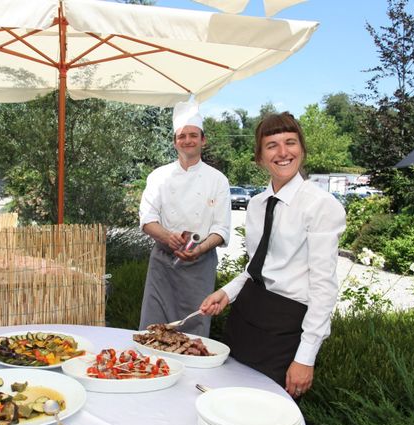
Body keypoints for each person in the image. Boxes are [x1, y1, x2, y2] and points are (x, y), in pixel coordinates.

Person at [200, 112, 346, 399]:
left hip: (286, 326)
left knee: (266, 412)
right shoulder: (256, 205)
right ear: (259, 157)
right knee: (227, 400)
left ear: (302, 149)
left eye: (290, 142)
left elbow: (324, 287)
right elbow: (256, 267)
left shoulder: (321, 207)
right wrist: (228, 293)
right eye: (272, 145)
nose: (283, 152)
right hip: (245, 317)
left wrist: (305, 357)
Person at [138, 101, 231, 337]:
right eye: (182, 136)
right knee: (152, 327)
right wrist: (169, 237)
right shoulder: (158, 176)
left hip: (200, 266)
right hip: (162, 262)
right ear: (174, 141)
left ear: (203, 140)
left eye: (193, 135)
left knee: (194, 329)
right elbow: (147, 219)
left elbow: (221, 229)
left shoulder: (217, 180)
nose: (187, 140)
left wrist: (198, 249)